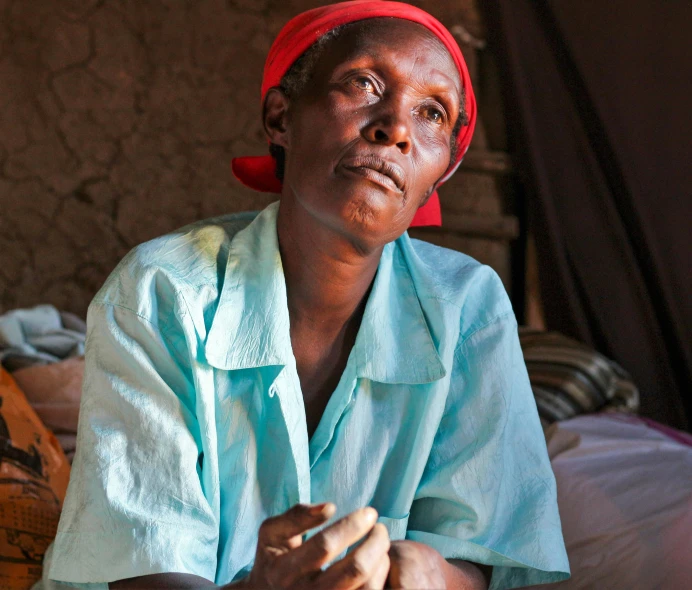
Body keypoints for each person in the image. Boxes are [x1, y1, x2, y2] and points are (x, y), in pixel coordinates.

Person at [38, 2, 570, 589]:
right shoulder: (164, 290)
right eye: (364, 83)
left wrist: (428, 573)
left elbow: (487, 557)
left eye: (432, 114)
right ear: (280, 116)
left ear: (437, 177)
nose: (395, 127)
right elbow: (144, 571)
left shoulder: (467, 307)